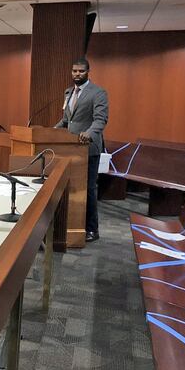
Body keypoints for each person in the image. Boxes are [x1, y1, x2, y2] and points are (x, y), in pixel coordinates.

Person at [55, 57, 108, 243]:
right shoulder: (68, 92)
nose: (77, 74)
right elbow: (65, 120)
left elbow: (100, 120)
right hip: (70, 148)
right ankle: (72, 224)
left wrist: (89, 133)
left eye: (81, 71)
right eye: (74, 71)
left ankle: (92, 229)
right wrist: (49, 132)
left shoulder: (98, 92)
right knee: (72, 188)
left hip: (88, 148)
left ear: (88, 72)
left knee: (89, 189)